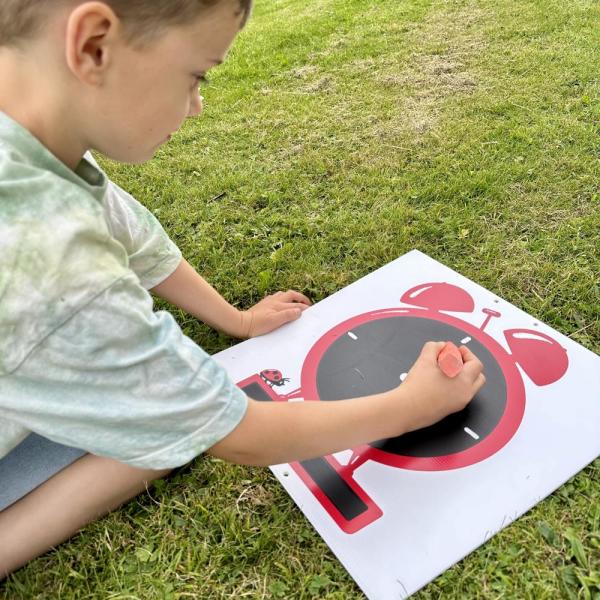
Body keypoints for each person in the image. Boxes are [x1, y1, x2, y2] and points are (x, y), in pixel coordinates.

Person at [0, 0, 486, 578]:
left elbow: (138, 241)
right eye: (195, 76)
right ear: (94, 44)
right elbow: (234, 430)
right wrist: (413, 406)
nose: (197, 107)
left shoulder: (35, 145)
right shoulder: (44, 243)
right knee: (167, 433)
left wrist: (238, 321)